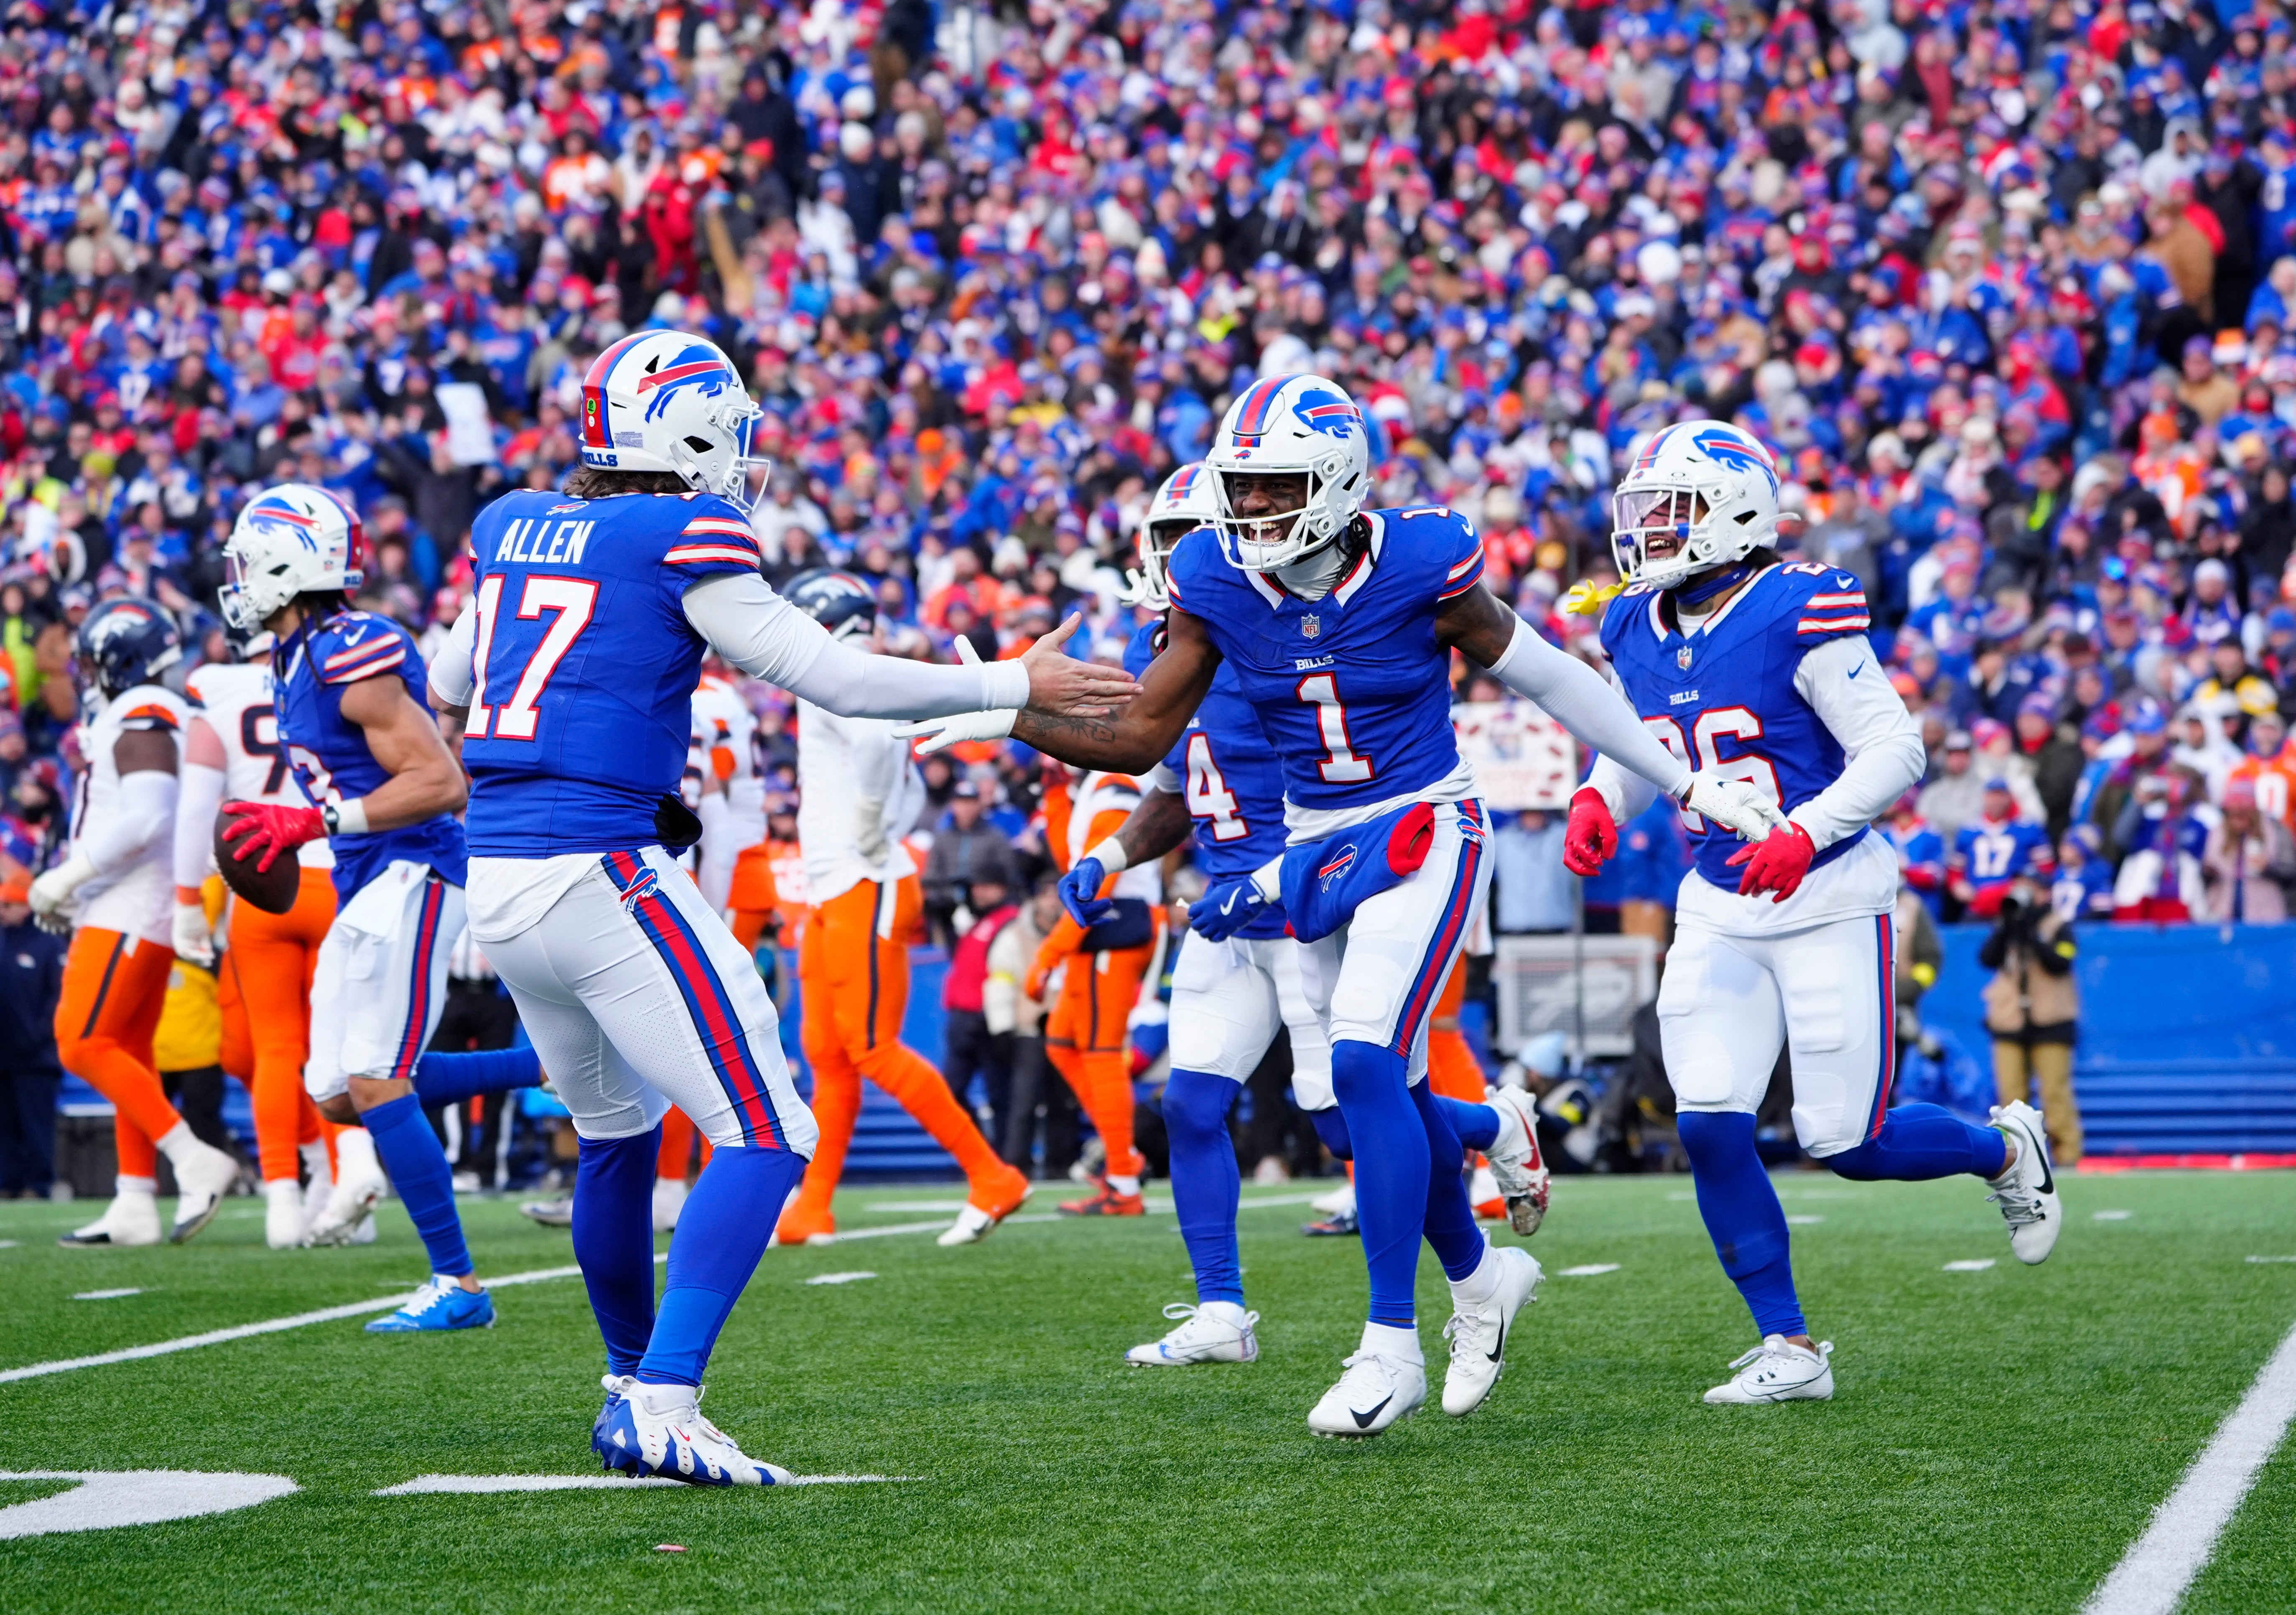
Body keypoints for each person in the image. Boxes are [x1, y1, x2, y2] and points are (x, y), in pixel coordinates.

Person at [906, 374, 1774, 1437]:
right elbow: (1141, 737)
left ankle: (1387, 1346)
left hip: (1424, 824)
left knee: (1360, 1064)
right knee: (1383, 1096)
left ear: (1335, 483)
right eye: (1244, 488)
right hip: (1314, 844)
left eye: (1276, 489)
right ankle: (1480, 1278)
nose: (1253, 512)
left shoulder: (1420, 558)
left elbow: (1551, 676)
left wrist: (1681, 783)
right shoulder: (1213, 574)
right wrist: (1006, 710)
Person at [424, 329, 1134, 1485]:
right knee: (769, 1131)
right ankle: (663, 1395)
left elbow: (451, 683)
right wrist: (1013, 683)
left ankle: (626, 1384)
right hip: (595, 870)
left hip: (496, 878)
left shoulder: (512, 524)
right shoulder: (679, 529)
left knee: (612, 1134)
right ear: (688, 427)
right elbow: (831, 674)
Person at [1568, 420, 2062, 1406]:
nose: (1651, 531)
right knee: (1709, 1123)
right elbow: (1645, 745)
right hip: (1715, 900)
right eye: (1646, 511)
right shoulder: (1631, 620)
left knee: (1847, 1142)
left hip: (1828, 892)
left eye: (1673, 510)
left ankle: (2004, 1148)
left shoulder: (1795, 604)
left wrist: (1802, 829)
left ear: (1733, 513)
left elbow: (1893, 749)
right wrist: (1597, 795)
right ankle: (1787, 1346)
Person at [1040, 461, 1342, 1363]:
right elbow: (1175, 787)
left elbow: (1347, 795)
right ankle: (1220, 1312)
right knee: (1190, 1103)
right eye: (1168, 544)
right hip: (1226, 918)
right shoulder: (1155, 650)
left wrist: (1262, 882)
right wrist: (1110, 853)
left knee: (1338, 1117)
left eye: (1195, 542)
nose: (1180, 563)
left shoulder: (1282, 642)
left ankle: (1489, 1127)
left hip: (1309, 911)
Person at [216, 484, 495, 1328]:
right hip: (367, 880)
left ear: (285, 564)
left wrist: (316, 817)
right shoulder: (295, 654)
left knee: (375, 1079)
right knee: (337, 1093)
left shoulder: (349, 652)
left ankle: (459, 1286)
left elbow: (441, 782)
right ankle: (554, 1066)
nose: (234, 576)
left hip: (413, 871)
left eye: (246, 557)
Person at [775, 568, 1031, 1249]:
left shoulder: (839, 668)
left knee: (871, 1047)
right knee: (827, 1053)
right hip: (837, 883)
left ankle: (990, 1174)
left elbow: (870, 743)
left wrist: (867, 822)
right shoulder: (850, 668)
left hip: (865, 878)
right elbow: (904, 775)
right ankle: (814, 1205)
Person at [38, 600, 241, 1248]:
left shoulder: (141, 708)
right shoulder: (156, 709)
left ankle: (194, 1158)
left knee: (81, 1042)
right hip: (138, 905)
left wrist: (67, 877)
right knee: (128, 1052)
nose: (89, 674)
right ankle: (133, 1199)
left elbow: (149, 815)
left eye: (96, 661)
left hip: (131, 904)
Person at [175, 626, 343, 1248]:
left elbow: (197, 810)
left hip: (262, 883)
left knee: (276, 1050)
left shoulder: (215, 688)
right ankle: (346, 1183)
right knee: (334, 1047)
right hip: (333, 873)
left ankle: (284, 1203)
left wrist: (188, 900)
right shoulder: (338, 668)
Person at [1979, 880, 2083, 1165]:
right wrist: (2007, 929)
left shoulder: (2057, 925)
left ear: (2043, 893)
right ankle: (2018, 1158)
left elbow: (2060, 963)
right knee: (2011, 1095)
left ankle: (2067, 1157)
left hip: (2051, 1022)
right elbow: (1986, 958)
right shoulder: (2006, 925)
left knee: (2054, 1093)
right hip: (2009, 1022)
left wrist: (2033, 935)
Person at [0, 876, 65, 1200]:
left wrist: (36, 1036)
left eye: (8, 904)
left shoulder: (47, 943)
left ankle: (38, 1185)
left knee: (36, 1127)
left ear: (26, 905)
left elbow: (57, 999)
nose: (2, 911)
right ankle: (7, 1184)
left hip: (37, 1058)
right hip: (3, 1056)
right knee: (4, 1129)